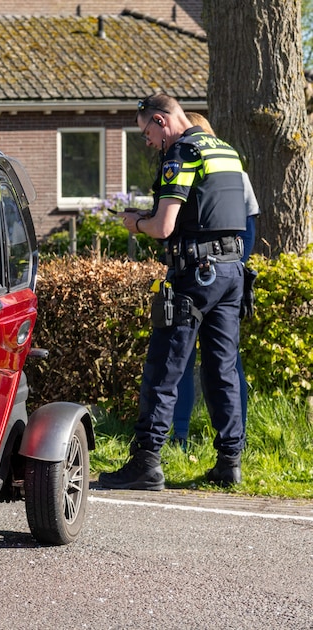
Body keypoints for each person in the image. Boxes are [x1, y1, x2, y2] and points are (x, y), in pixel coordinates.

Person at [99, 93, 248, 489]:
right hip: (232, 272)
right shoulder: (226, 150)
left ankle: (146, 461)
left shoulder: (182, 153)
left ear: (162, 121)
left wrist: (135, 224)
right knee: (222, 369)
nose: (148, 142)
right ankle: (229, 461)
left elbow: (164, 226)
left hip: (195, 275)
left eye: (146, 132)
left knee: (164, 366)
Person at [170, 113, 258, 448]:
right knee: (223, 362)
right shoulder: (231, 168)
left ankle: (184, 436)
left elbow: (246, 227)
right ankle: (231, 442)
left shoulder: (214, 168)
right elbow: (247, 229)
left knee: (189, 359)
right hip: (224, 272)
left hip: (206, 274)